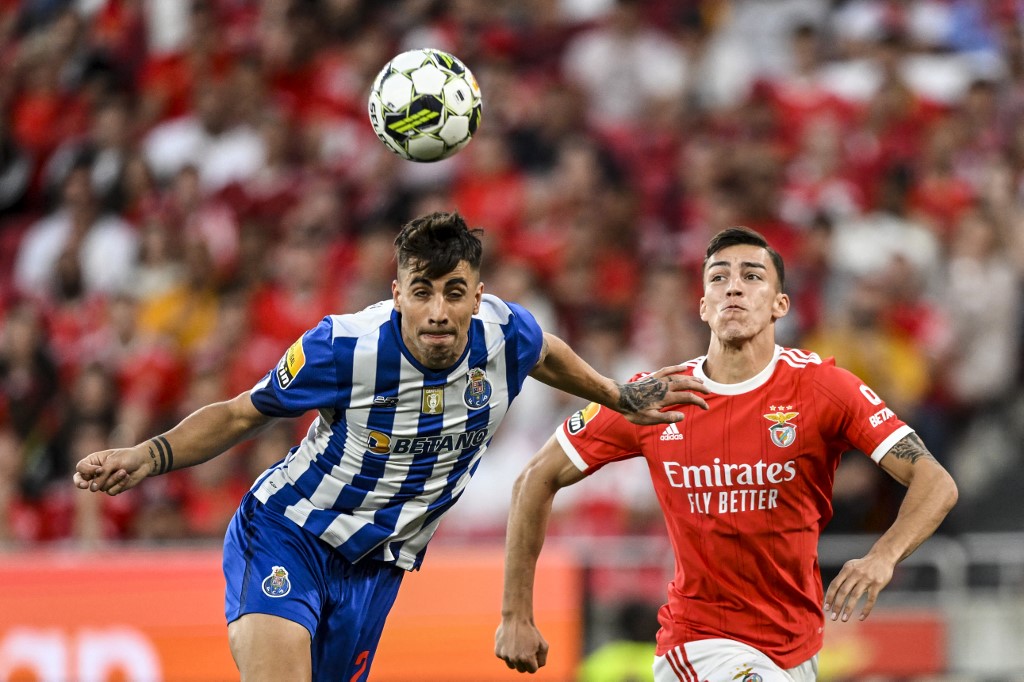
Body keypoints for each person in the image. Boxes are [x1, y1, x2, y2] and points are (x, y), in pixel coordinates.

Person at [73, 211, 707, 682]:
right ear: (397, 291)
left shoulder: (504, 334)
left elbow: (545, 353)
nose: (437, 311)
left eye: (454, 292)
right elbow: (242, 413)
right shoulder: (343, 347)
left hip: (378, 566)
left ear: (477, 296)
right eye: (422, 291)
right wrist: (146, 456)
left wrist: (616, 395)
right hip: (289, 531)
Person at [494, 226, 958, 681]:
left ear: (780, 305)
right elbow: (535, 477)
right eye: (718, 277)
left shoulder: (824, 388)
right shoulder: (656, 396)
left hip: (796, 647)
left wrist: (883, 556)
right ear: (703, 307)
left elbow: (935, 481)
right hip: (699, 644)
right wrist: (516, 614)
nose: (733, 286)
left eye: (752, 276)